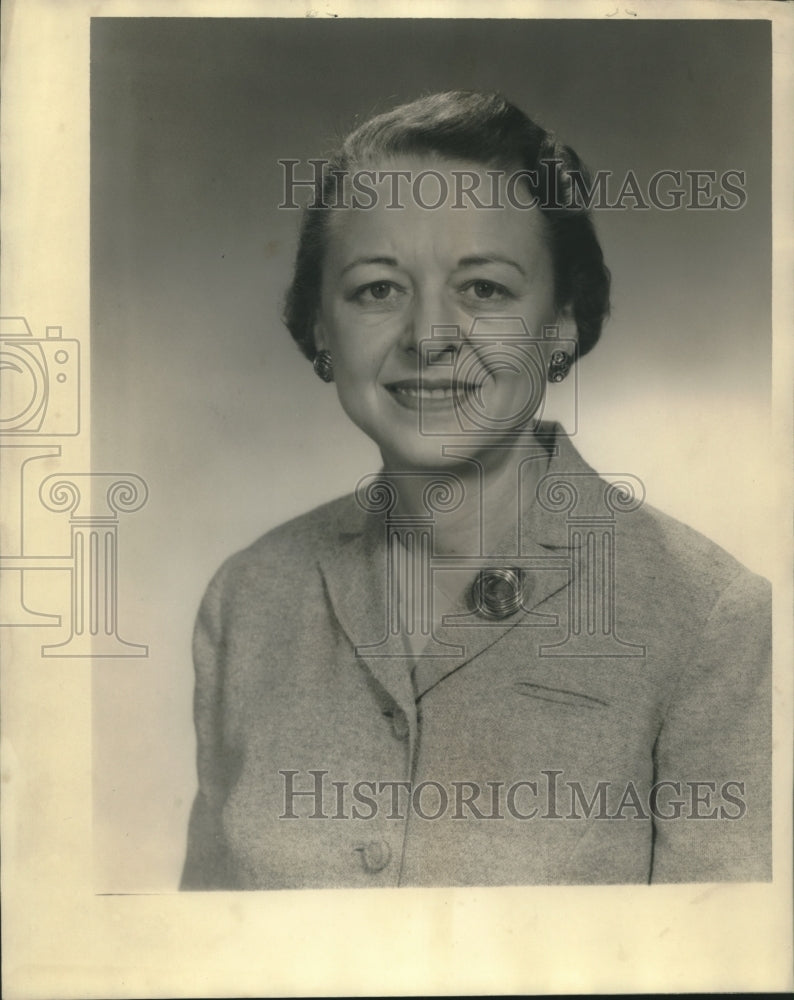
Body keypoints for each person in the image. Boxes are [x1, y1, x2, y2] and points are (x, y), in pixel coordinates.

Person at [180, 91, 771, 890]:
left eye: (485, 289)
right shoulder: (249, 597)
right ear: (320, 325)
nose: (429, 336)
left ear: (562, 321)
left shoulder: (712, 622)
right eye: (376, 289)